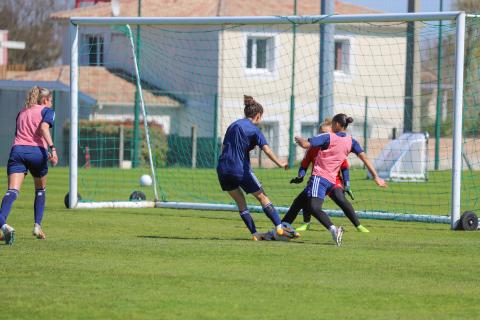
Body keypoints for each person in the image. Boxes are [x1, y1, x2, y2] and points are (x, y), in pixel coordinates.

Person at [294, 113, 387, 246]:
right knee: (310, 204)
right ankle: (331, 229)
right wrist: (376, 177)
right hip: (332, 180)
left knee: (313, 207)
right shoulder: (352, 141)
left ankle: (334, 229)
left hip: (319, 178)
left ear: (337, 124)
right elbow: (365, 158)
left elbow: (306, 144)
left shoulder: (327, 137)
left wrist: (299, 139)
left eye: (332, 124)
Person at [216, 95, 298, 241]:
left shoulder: (232, 125)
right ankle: (279, 227)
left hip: (222, 169)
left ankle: (255, 234)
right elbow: (266, 150)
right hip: (240, 169)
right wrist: (280, 163)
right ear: (258, 116)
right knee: (262, 197)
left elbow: (223, 147)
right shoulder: (254, 130)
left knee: (241, 202)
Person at [285, 118, 370, 233]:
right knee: (305, 198)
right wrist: (301, 175)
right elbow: (304, 165)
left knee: (341, 200)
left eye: (324, 132)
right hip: (318, 179)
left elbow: (344, 167)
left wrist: (347, 184)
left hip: (334, 181)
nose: (322, 134)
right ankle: (304, 223)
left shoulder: (335, 146)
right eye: (320, 132)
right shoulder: (312, 148)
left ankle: (358, 226)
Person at [0, 86, 58, 245]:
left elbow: (20, 135)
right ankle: (37, 226)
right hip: (36, 153)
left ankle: (3, 225)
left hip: (17, 151)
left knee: (12, 191)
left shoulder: (22, 113)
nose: (51, 103)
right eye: (51, 101)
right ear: (45, 100)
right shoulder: (47, 111)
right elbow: (43, 128)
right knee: (40, 190)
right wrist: (52, 149)